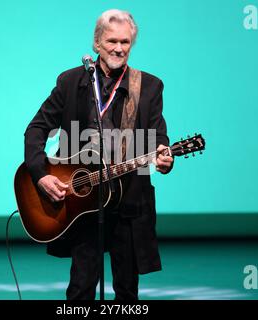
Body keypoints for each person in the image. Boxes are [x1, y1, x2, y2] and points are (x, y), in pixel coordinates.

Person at [24, 9, 174, 300]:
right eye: (112, 41)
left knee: (127, 293)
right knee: (80, 289)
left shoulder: (149, 86)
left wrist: (164, 156)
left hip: (129, 201)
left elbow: (159, 137)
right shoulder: (71, 83)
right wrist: (40, 175)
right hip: (84, 204)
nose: (119, 48)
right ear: (97, 43)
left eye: (126, 42)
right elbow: (36, 129)